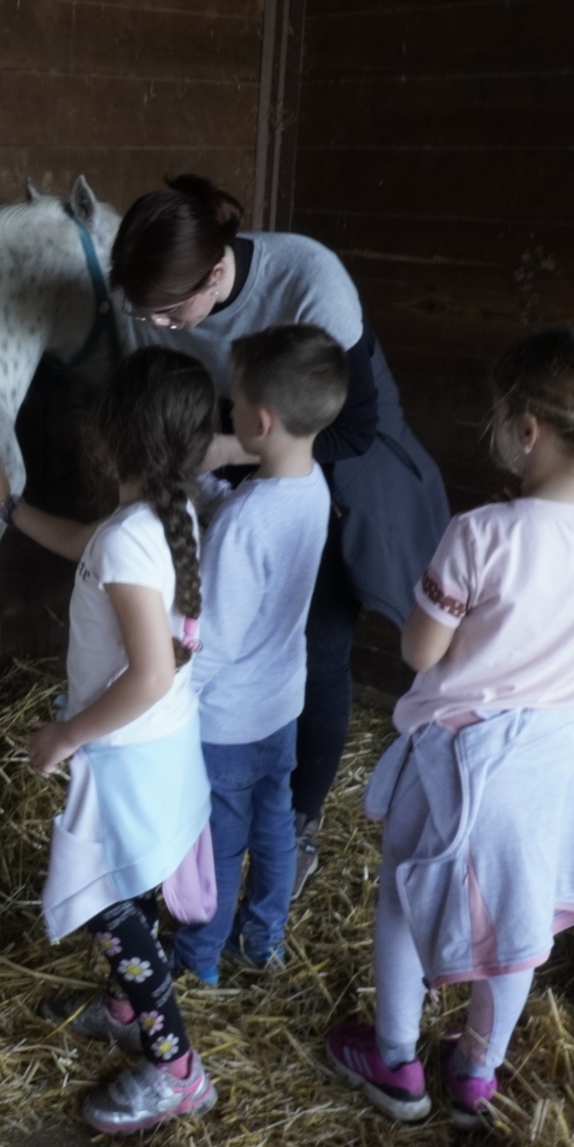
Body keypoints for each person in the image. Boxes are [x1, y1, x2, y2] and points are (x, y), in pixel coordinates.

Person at [323, 326, 574, 1126]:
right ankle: (477, 1073)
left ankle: (397, 1059)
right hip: (552, 756)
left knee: (406, 899)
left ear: (527, 428)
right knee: (522, 916)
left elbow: (420, 648)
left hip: (461, 753)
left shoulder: (481, 533)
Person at [108, 175, 450, 898]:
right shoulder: (158, 300)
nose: (160, 324)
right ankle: (212, 809)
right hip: (226, 458)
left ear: (215, 271)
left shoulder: (307, 279)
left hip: (312, 468)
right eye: (148, 312)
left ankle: (298, 821)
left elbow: (353, 427)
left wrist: (234, 454)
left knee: (316, 644)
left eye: (171, 311)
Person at [0, 347, 219, 1134]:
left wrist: (65, 735)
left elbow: (145, 673)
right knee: (135, 889)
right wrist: (10, 510)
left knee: (114, 910)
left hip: (126, 753)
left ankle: (177, 1068)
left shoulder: (130, 538)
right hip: (166, 745)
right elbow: (88, 543)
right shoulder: (160, 520)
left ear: (110, 438)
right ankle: (123, 1005)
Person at [172, 324, 349, 985]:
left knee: (217, 841)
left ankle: (197, 958)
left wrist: (171, 700)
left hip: (225, 719)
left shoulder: (245, 524)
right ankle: (262, 938)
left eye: (234, 401)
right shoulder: (309, 486)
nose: (229, 411)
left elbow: (210, 639)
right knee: (276, 822)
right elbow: (255, 521)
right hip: (282, 702)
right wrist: (209, 490)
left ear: (261, 420)